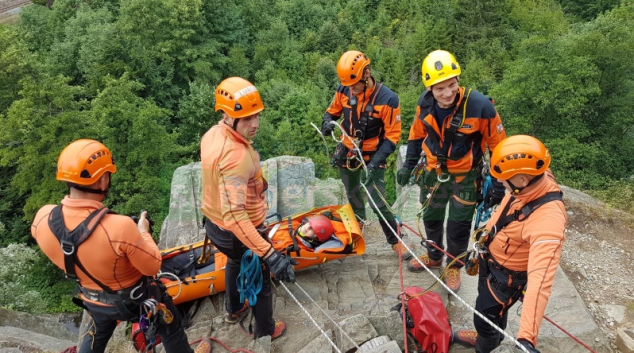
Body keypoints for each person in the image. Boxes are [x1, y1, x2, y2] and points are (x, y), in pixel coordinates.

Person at [30, 139, 211, 353]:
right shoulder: (119, 227)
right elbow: (153, 266)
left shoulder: (42, 218)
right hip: (137, 302)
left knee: (94, 334)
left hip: (93, 301)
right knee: (170, 326)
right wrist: (142, 230)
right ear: (102, 180)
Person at [397, 49, 507, 291]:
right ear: (429, 89)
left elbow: (498, 146)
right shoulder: (424, 105)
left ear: (458, 80)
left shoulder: (480, 107)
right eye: (440, 88)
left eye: (452, 84)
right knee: (431, 218)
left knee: (458, 226)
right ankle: (435, 256)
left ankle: (453, 266)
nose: (447, 93)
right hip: (433, 174)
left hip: (466, 177)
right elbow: (416, 137)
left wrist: (498, 183)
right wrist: (409, 165)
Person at [453, 135, 567, 353]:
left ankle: (486, 344)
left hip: (506, 279)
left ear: (523, 180)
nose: (501, 184)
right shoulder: (532, 180)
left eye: (504, 179)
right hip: (490, 260)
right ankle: (488, 334)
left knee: (485, 317)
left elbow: (540, 283)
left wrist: (526, 338)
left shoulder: (548, 221)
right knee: (484, 308)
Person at [201, 76, 294, 340]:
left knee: (234, 262)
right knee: (261, 279)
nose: (255, 124)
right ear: (229, 117)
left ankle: (233, 308)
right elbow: (235, 216)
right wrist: (269, 254)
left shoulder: (212, 135)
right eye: (247, 119)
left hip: (213, 224)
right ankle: (265, 331)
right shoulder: (237, 157)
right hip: (237, 231)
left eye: (256, 116)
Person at [321, 50, 408, 259]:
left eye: (355, 85)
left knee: (378, 201)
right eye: (348, 86)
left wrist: (375, 162)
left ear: (366, 74)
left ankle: (395, 240)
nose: (351, 90)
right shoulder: (344, 89)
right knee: (351, 191)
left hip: (373, 153)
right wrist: (327, 122)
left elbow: (393, 137)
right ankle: (358, 218)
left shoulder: (388, 99)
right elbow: (332, 111)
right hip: (347, 149)